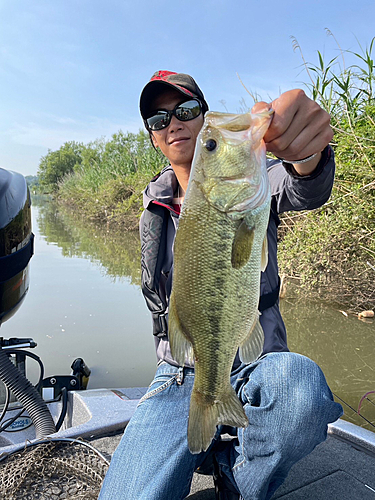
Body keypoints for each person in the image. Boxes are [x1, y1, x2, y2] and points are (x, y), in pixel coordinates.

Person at [99, 71, 343, 500]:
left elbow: (304, 185)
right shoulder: (152, 209)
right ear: (154, 138)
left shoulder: (255, 182)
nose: (173, 123)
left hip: (258, 357)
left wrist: (308, 154)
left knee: (300, 395)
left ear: (203, 116)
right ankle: (207, 426)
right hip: (180, 371)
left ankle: (237, 475)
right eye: (158, 120)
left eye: (186, 111)